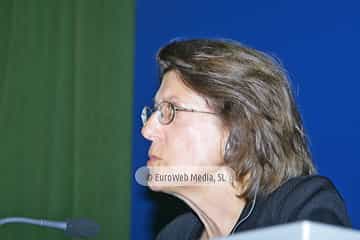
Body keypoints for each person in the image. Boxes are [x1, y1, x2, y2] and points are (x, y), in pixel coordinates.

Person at [140, 39, 351, 240]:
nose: (147, 130)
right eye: (154, 112)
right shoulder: (175, 234)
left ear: (237, 127)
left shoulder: (298, 207)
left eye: (170, 110)